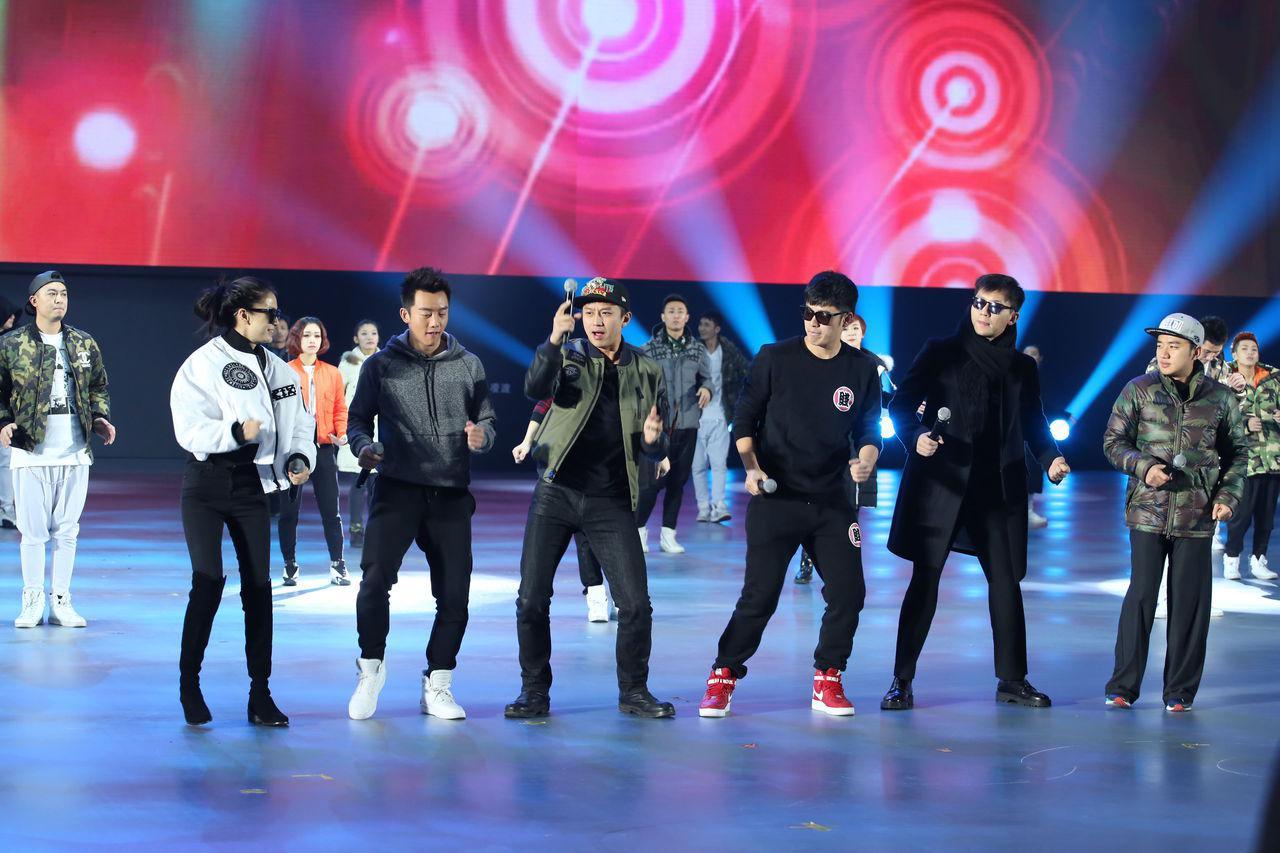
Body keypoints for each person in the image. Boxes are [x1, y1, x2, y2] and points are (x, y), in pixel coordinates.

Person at [880, 274, 1069, 712]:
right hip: (941, 485)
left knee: (1006, 581)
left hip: (995, 489)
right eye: (979, 303)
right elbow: (902, 405)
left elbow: (1033, 421)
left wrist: (1050, 458)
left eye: (994, 307)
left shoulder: (1021, 368)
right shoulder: (941, 351)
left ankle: (1012, 680)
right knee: (925, 579)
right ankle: (901, 680)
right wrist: (916, 437)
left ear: (1013, 316)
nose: (984, 312)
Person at [697, 271, 881, 718]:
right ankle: (723, 673)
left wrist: (867, 460)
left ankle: (828, 676)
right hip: (776, 499)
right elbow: (745, 420)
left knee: (849, 593)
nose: (814, 323)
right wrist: (752, 467)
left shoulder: (862, 368)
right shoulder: (774, 358)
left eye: (824, 316)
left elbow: (869, 429)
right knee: (759, 597)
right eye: (808, 313)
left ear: (847, 319)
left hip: (832, 501)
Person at [507, 276, 674, 719]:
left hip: (611, 499)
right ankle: (533, 692)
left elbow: (658, 442)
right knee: (531, 599)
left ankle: (634, 691)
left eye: (606, 313)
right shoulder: (567, 356)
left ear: (625, 318)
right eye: (589, 313)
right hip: (556, 492)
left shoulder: (648, 370)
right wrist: (553, 340)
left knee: (635, 604)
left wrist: (654, 441)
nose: (596, 321)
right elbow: (534, 388)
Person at [346, 267, 495, 722]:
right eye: (426, 312)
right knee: (374, 581)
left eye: (442, 313)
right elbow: (357, 422)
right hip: (396, 487)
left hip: (450, 492)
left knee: (454, 595)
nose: (435, 321)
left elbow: (487, 419)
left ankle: (439, 681)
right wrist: (364, 447)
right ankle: (371, 669)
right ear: (406, 314)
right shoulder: (380, 366)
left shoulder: (469, 365)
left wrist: (481, 437)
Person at [170, 276, 314, 726]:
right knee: (209, 580)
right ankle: (189, 684)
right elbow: (188, 428)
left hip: (253, 486)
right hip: (207, 484)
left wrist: (298, 458)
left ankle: (260, 694)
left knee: (258, 586)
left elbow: (300, 425)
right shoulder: (203, 364)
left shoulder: (280, 369)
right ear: (243, 315)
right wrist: (234, 432)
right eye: (269, 313)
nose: (276, 321)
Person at [1102, 313, 1247, 711]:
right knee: (1141, 597)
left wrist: (1227, 497)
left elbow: (1239, 454)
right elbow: (1113, 442)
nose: (1164, 353)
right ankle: (1122, 686)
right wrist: (1143, 467)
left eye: (1174, 346)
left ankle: (1179, 691)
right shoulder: (1139, 389)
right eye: (1160, 345)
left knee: (1189, 604)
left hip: (1197, 516)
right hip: (1147, 512)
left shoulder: (1220, 398)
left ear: (1196, 352)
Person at [2, 271, 115, 629]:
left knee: (68, 531)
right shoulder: (11, 344)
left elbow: (99, 386)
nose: (59, 299)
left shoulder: (83, 342)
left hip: (74, 451)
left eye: (63, 293)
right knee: (33, 532)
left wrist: (99, 416)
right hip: (30, 450)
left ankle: (61, 600)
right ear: (34, 300)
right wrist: (3, 421)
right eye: (51, 293)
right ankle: (32, 598)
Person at [796, 312, 884, 584]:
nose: (852, 333)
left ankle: (844, 564)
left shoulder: (875, 366)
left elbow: (888, 398)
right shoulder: (826, 361)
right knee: (816, 503)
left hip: (859, 446)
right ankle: (808, 562)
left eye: (856, 328)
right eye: (847, 329)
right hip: (829, 443)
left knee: (850, 507)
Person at [636, 293, 712, 554]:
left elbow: (707, 379)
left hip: (688, 424)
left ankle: (668, 535)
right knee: (651, 485)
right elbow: (639, 384)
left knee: (677, 483)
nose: (676, 315)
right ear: (663, 316)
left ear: (687, 317)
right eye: (671, 311)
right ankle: (639, 531)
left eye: (680, 311)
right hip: (659, 427)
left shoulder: (697, 349)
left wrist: (707, 390)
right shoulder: (648, 349)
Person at [277, 317, 350, 586]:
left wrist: (341, 432)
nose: (312, 340)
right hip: (293, 450)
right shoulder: (284, 371)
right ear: (297, 338)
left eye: (317, 336)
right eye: (307, 335)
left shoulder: (332, 373)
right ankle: (289, 564)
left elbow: (340, 407)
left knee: (331, 510)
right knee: (289, 511)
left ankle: (338, 563)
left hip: (323, 447)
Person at [1220, 332, 1280, 581]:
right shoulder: (1224, 378)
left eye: (1253, 349)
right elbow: (1217, 416)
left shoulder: (1274, 378)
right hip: (1243, 460)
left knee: (1266, 517)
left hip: (1273, 458)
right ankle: (1232, 558)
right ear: (1234, 353)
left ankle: (1259, 560)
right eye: (1244, 348)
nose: (1250, 353)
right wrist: (1245, 424)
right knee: (1241, 515)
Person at [691, 310, 749, 524]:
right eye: (701, 324)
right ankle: (703, 508)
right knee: (698, 466)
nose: (701, 328)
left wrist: (737, 400)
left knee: (719, 464)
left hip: (720, 415)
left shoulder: (729, 350)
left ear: (717, 328)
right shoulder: (693, 349)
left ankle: (719, 505)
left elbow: (746, 371)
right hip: (694, 417)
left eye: (706, 324)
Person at [337, 320, 380, 548]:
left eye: (373, 333)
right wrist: (341, 427)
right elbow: (338, 397)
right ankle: (355, 530)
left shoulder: (385, 361)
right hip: (356, 427)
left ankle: (374, 529)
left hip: (381, 429)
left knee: (377, 482)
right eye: (364, 333)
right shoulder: (347, 363)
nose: (369, 337)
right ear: (356, 339)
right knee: (358, 481)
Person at [0, 295, 24, 531]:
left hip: (5, 412)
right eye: (8, 313)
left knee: (6, 460)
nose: (13, 318)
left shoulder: (14, 341)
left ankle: (7, 511)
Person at [1022, 345, 1050, 529]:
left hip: (1034, 429)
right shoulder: (1013, 374)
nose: (1030, 357)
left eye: (1034, 354)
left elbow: (1043, 404)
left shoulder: (1041, 379)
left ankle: (1028, 510)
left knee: (1032, 466)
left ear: (1040, 358)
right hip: (1016, 429)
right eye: (1027, 354)